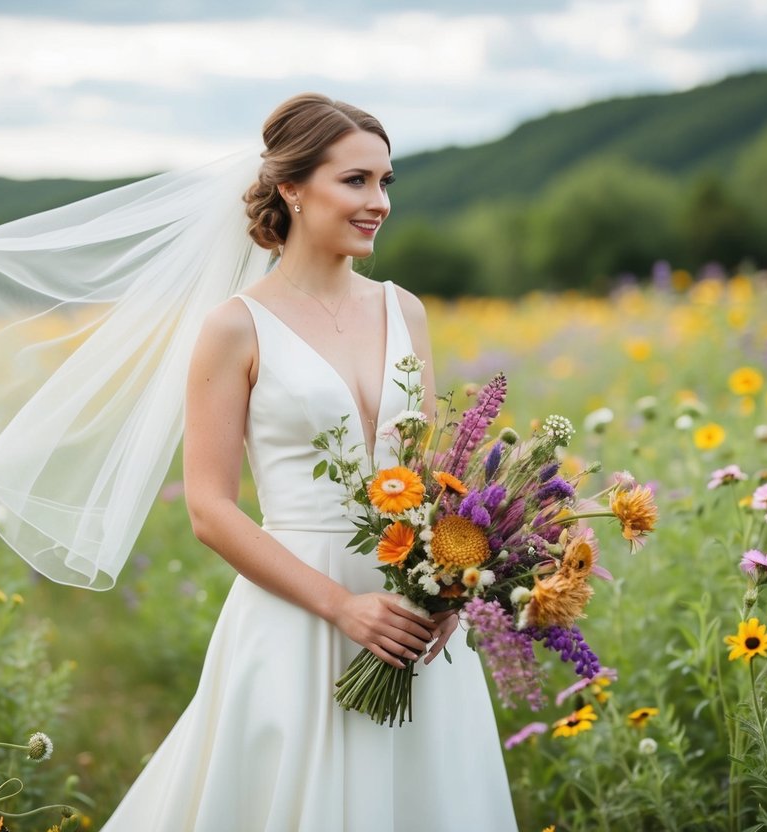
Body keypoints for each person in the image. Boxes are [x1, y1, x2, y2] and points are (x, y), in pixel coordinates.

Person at [97, 94, 517, 830]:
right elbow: (209, 508)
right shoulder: (234, 327)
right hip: (295, 615)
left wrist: (447, 590)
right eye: (355, 181)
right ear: (290, 187)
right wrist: (341, 606)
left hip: (411, 618)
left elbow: (427, 473)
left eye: (386, 182)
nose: (378, 202)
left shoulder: (403, 309)